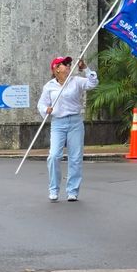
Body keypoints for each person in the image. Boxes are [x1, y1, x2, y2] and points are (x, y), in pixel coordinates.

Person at [37, 56, 98, 202]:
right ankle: (53, 189)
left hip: (75, 122)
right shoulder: (49, 86)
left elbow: (93, 83)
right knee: (54, 156)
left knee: (75, 158)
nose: (68, 65)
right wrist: (46, 109)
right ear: (56, 68)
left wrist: (85, 69)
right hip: (58, 123)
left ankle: (72, 191)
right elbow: (41, 104)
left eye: (69, 63)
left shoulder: (76, 81)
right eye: (65, 64)